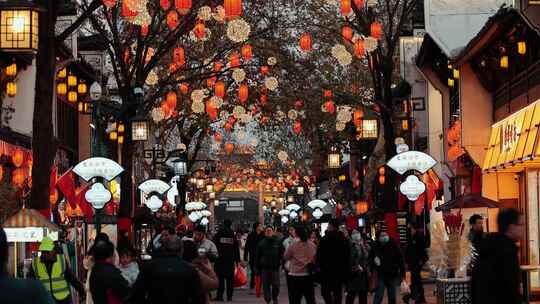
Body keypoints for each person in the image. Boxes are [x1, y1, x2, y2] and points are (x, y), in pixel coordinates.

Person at [471, 208, 523, 304]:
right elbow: (510, 288)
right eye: (521, 225)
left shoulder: (490, 244)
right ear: (511, 227)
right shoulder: (507, 251)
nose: (523, 228)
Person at [133, 235, 204, 304]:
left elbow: (137, 293)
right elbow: (198, 299)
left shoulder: (149, 267)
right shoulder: (190, 269)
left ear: (163, 248)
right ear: (181, 250)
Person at [0, 227, 55, 304]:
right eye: (44, 252)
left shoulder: (33, 290)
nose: (45, 254)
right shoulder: (34, 291)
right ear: (7, 254)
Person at [30, 236, 85, 304]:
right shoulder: (35, 264)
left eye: (49, 251)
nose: (46, 254)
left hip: (63, 299)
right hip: (45, 299)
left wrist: (82, 291)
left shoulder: (61, 260)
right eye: (44, 252)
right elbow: (31, 283)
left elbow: (71, 277)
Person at [316, 219, 350, 304]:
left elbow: (319, 255)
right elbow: (347, 255)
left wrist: (319, 266)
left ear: (331, 226)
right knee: (337, 292)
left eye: (328, 225)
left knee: (325, 292)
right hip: (339, 270)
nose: (327, 227)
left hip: (326, 270)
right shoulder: (343, 239)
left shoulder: (324, 239)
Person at [284, 225, 316, 304]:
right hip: (307, 275)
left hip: (294, 275)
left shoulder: (293, 244)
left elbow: (286, 256)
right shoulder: (312, 244)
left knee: (295, 299)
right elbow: (315, 258)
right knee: (310, 299)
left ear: (296, 233)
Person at [183, 236, 219, 304]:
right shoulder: (194, 271)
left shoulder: (209, 244)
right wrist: (208, 270)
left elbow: (215, 255)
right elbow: (214, 284)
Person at [371, 232, 405, 304]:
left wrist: (402, 273)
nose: (384, 237)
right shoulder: (375, 245)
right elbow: (370, 258)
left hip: (392, 274)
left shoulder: (393, 244)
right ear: (378, 238)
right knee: (379, 294)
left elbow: (400, 259)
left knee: (392, 295)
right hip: (381, 274)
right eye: (382, 236)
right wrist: (374, 261)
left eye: (385, 235)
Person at [213, 219, 241, 301]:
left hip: (220, 259)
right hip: (230, 259)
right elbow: (236, 248)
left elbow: (214, 244)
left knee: (220, 278)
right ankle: (229, 296)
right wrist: (237, 260)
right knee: (230, 279)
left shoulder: (219, 233)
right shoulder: (232, 234)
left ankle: (220, 296)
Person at [256, 226, 285, 304]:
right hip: (264, 268)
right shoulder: (261, 243)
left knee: (276, 285)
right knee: (266, 285)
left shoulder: (278, 242)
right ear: (265, 233)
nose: (269, 232)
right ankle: (268, 299)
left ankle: (274, 297)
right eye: (267, 231)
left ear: (273, 232)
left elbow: (282, 253)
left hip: (275, 267)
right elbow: (257, 256)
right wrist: (257, 268)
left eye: (270, 231)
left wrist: (282, 262)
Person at [403, 223, 428, 304]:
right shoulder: (411, 238)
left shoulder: (418, 238)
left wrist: (421, 261)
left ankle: (413, 297)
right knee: (414, 281)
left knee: (415, 280)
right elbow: (408, 251)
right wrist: (406, 261)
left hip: (417, 263)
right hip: (411, 263)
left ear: (414, 228)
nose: (409, 230)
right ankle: (415, 297)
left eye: (410, 228)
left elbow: (422, 251)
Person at [345, 229, 370, 304]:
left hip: (363, 273)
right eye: (354, 233)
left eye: (357, 233)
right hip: (354, 273)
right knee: (351, 294)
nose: (356, 234)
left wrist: (363, 245)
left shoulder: (363, 243)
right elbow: (349, 258)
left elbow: (366, 255)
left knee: (363, 295)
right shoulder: (349, 244)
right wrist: (356, 265)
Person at [244, 222, 264, 290]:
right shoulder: (251, 235)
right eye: (260, 225)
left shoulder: (263, 235)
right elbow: (247, 246)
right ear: (257, 227)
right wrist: (245, 257)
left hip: (262, 256)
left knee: (261, 271)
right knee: (253, 272)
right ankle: (252, 286)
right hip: (253, 256)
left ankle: (260, 286)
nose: (261, 227)